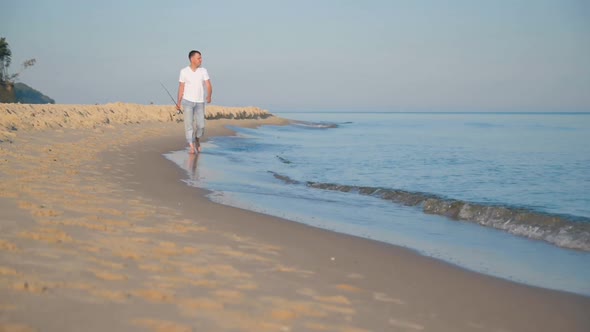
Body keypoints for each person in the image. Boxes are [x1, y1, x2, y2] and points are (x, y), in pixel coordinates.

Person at [177, 50, 213, 154]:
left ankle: (197, 139)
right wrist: (178, 102)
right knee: (189, 125)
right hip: (187, 101)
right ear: (192, 59)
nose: (201, 60)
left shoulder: (203, 71)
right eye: (199, 58)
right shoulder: (184, 71)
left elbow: (208, 85)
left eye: (201, 58)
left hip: (200, 102)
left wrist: (209, 95)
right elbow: (181, 87)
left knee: (201, 125)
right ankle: (191, 146)